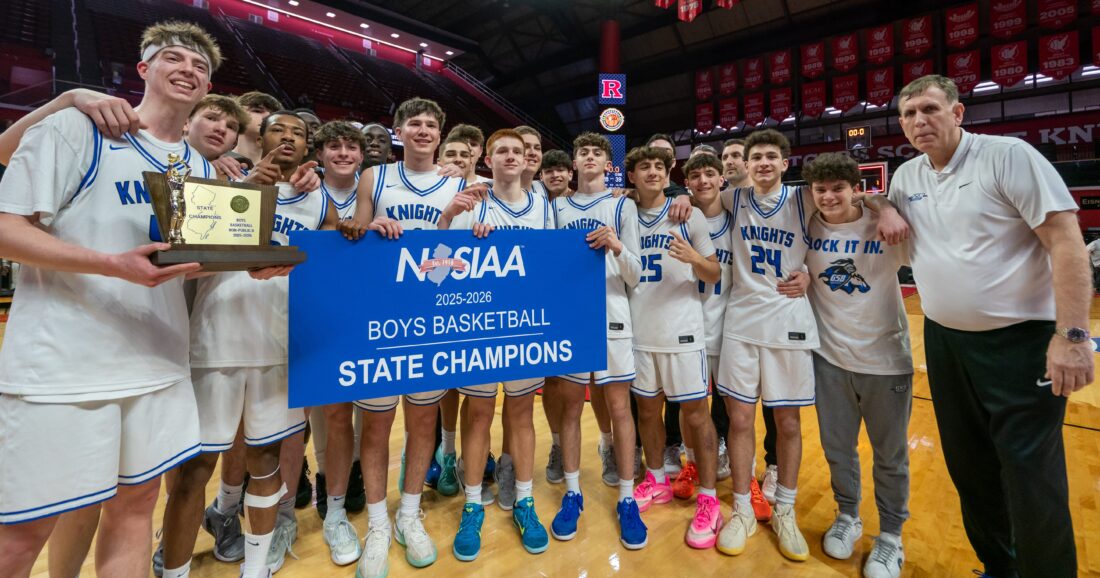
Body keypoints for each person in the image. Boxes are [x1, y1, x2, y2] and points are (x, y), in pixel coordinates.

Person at [0, 21, 221, 578]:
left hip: (158, 365)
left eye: (201, 67)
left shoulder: (200, 169)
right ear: (143, 70)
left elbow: (190, 264)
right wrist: (109, 266)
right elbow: (5, 229)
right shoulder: (79, 128)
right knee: (21, 535)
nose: (188, 69)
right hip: (63, 369)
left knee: (135, 512)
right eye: (174, 58)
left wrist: (253, 265)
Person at [866, 74, 1092, 578]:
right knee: (971, 469)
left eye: (929, 109)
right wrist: (880, 204)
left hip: (1020, 343)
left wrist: (1074, 336)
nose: (919, 121)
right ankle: (1000, 567)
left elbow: (1066, 242)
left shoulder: (1008, 156)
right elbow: (883, 209)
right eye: (908, 114)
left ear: (958, 112)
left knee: (1031, 476)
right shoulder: (907, 177)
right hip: (945, 342)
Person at [161, 110, 335, 578]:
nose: (289, 137)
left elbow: (344, 248)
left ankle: (255, 568)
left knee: (267, 460)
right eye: (279, 129)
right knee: (196, 468)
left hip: (280, 344)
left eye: (299, 133)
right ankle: (173, 568)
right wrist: (246, 187)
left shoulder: (316, 202)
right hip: (215, 341)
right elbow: (183, 249)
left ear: (307, 148)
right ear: (258, 137)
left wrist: (367, 224)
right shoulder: (216, 183)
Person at [339, 97, 485, 578]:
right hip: (379, 317)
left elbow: (458, 260)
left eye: (430, 125)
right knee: (377, 427)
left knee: (423, 424)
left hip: (434, 317)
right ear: (398, 130)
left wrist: (449, 225)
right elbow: (352, 238)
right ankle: (378, 525)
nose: (422, 130)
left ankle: (408, 515)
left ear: (441, 135)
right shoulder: (373, 178)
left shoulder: (460, 184)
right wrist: (368, 225)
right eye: (414, 123)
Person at [437, 128, 553, 561]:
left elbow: (554, 263)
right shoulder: (472, 200)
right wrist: (453, 224)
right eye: (501, 150)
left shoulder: (543, 204)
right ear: (487, 157)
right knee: (479, 412)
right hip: (480, 324)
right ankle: (472, 504)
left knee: (521, 412)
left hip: (526, 325)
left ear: (527, 159)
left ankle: (524, 499)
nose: (509, 156)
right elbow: (438, 269)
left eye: (517, 151)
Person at [803, 152, 912, 578]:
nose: (829, 196)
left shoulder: (885, 225)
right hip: (829, 358)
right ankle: (848, 515)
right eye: (821, 189)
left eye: (838, 188)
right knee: (837, 450)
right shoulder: (807, 224)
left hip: (886, 360)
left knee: (890, 455)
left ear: (856, 189)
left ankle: (890, 537)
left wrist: (882, 206)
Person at [710, 129, 816, 561]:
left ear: (785, 163)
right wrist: (680, 197)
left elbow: (856, 201)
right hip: (741, 322)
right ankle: (741, 509)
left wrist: (810, 272)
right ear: (745, 165)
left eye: (772, 157)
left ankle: (785, 510)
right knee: (738, 422)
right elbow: (689, 202)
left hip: (788, 321)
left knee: (787, 424)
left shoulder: (802, 199)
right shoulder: (734, 199)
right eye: (757, 158)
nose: (764, 163)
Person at [623, 146, 722, 550]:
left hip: (682, 331)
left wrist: (695, 257)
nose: (651, 172)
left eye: (659, 166)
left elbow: (714, 273)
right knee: (647, 409)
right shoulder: (624, 212)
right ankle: (658, 480)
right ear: (632, 176)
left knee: (697, 415)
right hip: (639, 332)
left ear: (668, 174)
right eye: (643, 166)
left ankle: (709, 499)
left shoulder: (688, 214)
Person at [551, 132, 646, 549]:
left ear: (608, 165)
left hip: (613, 315)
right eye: (583, 152)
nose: (589, 157)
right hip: (569, 317)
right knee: (571, 409)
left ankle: (627, 498)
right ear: (573, 163)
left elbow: (637, 273)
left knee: (620, 409)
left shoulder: (623, 204)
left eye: (597, 153)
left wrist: (617, 245)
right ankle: (573, 491)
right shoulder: (556, 206)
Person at [681, 152, 770, 521]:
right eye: (695, 176)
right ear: (687, 183)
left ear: (722, 179)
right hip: (689, 325)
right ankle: (691, 464)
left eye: (709, 174)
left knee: (739, 415)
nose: (703, 181)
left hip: (733, 327)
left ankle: (745, 478)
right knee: (690, 406)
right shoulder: (680, 217)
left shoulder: (741, 218)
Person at [721, 137, 776, 508]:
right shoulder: (725, 199)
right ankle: (736, 459)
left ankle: (772, 465)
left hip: (777, 311)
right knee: (731, 402)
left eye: (736, 156)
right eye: (725, 156)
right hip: (732, 310)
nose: (730, 161)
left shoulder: (793, 198)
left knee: (775, 402)